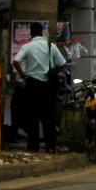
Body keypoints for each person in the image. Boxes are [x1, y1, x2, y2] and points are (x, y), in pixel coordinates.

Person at [13, 22, 66, 153]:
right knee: (48, 118)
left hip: (32, 85)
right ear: (42, 32)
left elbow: (16, 61)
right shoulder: (51, 46)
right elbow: (62, 63)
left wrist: (24, 76)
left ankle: (33, 147)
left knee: (33, 117)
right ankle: (50, 147)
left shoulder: (28, 46)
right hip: (48, 86)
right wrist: (53, 71)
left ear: (31, 33)